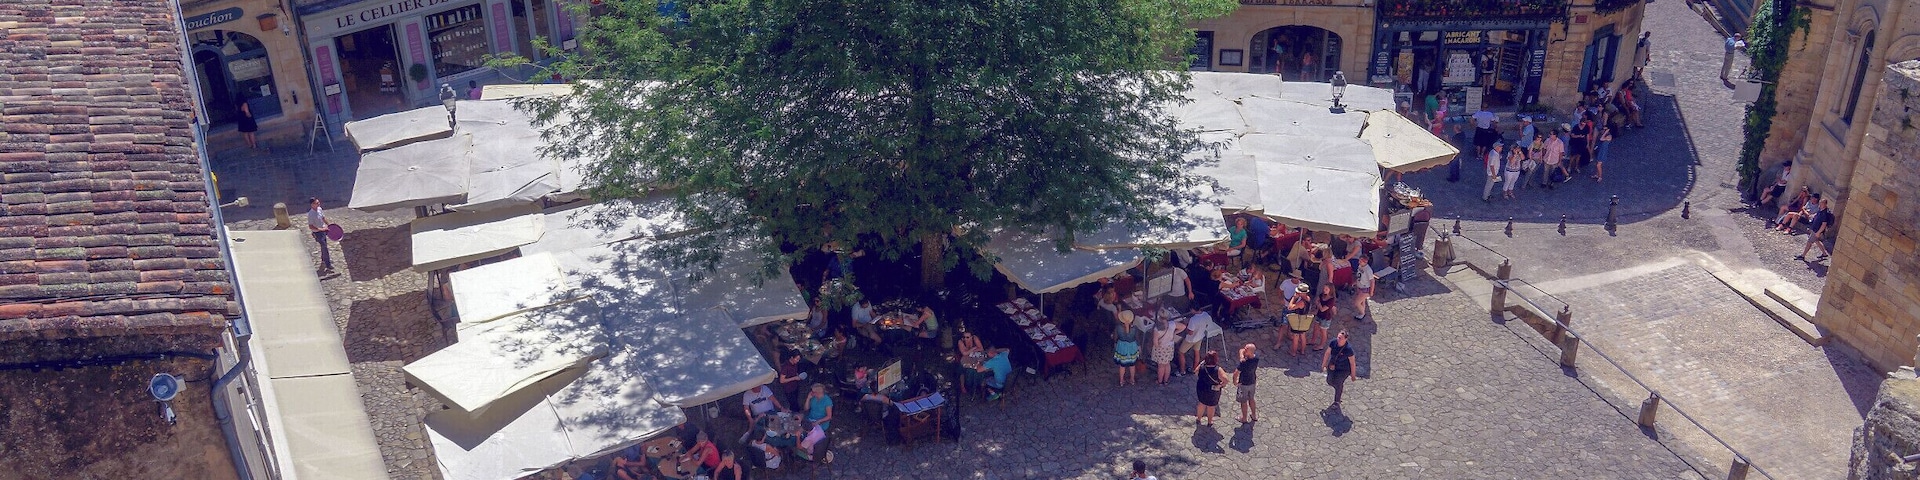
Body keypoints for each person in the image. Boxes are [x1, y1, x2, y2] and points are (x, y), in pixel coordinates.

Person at [1322, 330, 1357, 410]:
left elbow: (1352, 363)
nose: (1338, 339)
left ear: (1345, 339)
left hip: (1343, 369)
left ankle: (1337, 401)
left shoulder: (1348, 349)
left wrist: (1353, 375)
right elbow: (1327, 353)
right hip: (1332, 365)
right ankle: (1338, 387)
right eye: (1338, 337)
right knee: (1329, 381)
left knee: (1338, 383)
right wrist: (1324, 364)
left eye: (1340, 338)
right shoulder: (1333, 342)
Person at [1183, 306, 1222, 373]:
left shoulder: (1193, 319)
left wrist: (1185, 326)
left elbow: (1190, 332)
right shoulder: (1206, 315)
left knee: (1181, 352)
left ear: (1193, 309)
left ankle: (1182, 370)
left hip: (1191, 339)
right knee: (1197, 352)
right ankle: (1195, 369)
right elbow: (1208, 324)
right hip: (1200, 337)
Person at [1194, 350, 1226, 426]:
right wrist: (1220, 385)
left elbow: (1195, 372)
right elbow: (1226, 380)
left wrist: (1202, 363)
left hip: (1201, 388)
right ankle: (1209, 421)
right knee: (1211, 406)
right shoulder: (1218, 370)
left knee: (1201, 404)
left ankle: (1198, 418)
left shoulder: (1202, 367)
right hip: (1213, 390)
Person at [1151, 317, 1182, 385]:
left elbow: (1155, 342)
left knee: (1161, 366)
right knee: (1167, 364)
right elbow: (1183, 327)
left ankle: (1160, 381)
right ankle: (1166, 381)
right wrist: (1174, 333)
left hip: (1161, 348)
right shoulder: (1172, 324)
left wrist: (1157, 347)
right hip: (1169, 347)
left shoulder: (1157, 328)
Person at [306, 198, 335, 272]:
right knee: (325, 247)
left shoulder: (319, 209)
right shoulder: (310, 214)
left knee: (324, 246)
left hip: (323, 231)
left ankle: (323, 259)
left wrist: (329, 225)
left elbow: (323, 218)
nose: (319, 204)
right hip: (317, 233)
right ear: (312, 205)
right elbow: (311, 226)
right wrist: (321, 229)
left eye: (318, 202)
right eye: (317, 203)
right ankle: (328, 265)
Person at [1284, 284, 1312, 356]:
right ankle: (1302, 351)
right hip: (1304, 320)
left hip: (1298, 320)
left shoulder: (1301, 302)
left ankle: (1293, 352)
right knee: (1303, 336)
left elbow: (1290, 307)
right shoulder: (1308, 298)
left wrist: (1294, 298)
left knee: (1296, 336)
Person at [1233, 343, 1259, 423]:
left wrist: (1235, 382)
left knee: (1243, 402)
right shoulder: (1256, 358)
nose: (1244, 350)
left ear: (1249, 352)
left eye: (1246, 349)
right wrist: (1242, 355)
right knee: (1251, 399)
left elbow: (1236, 373)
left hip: (1243, 384)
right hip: (1252, 382)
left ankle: (1244, 418)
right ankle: (1254, 415)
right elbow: (1241, 351)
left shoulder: (1244, 363)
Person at [1114, 320, 1142, 386]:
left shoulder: (1118, 327)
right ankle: (1132, 380)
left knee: (1122, 366)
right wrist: (1140, 349)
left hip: (1122, 347)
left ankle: (1121, 381)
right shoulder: (1135, 328)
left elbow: (1115, 338)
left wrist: (1115, 345)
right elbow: (1137, 339)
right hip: (1132, 347)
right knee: (1132, 365)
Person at [1312, 284, 1337, 349]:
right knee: (1315, 328)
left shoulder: (1331, 300)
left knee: (1323, 331)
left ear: (1330, 290)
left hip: (1326, 317)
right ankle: (1312, 341)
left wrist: (1319, 303)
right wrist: (1318, 304)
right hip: (1319, 315)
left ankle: (1321, 345)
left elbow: (1323, 309)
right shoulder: (1322, 295)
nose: (1324, 290)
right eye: (1324, 289)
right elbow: (1316, 300)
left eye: (1326, 289)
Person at [1352, 256, 1376, 321]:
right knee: (1362, 301)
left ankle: (1362, 313)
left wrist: (1371, 291)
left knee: (1357, 302)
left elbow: (1372, 281)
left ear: (1365, 262)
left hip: (1365, 289)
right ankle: (1362, 312)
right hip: (1360, 286)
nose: (1359, 262)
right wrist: (1355, 282)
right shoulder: (1360, 266)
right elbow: (1359, 276)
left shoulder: (1368, 270)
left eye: (1360, 261)